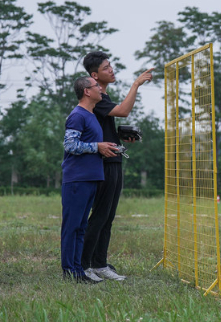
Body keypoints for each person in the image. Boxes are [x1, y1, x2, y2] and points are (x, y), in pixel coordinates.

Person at [81, 51, 153, 281]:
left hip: (114, 159)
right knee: (100, 216)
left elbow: (104, 126)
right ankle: (84, 266)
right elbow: (123, 111)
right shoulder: (97, 97)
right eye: (105, 68)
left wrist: (119, 136)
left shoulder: (103, 96)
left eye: (110, 65)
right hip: (103, 162)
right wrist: (136, 84)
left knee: (108, 217)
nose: (111, 70)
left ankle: (99, 264)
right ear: (94, 75)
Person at [61, 76, 117, 284]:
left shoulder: (91, 115)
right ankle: (70, 271)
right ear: (86, 91)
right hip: (77, 179)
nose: (100, 89)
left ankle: (79, 270)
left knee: (81, 227)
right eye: (96, 86)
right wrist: (97, 147)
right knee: (72, 226)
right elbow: (70, 145)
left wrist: (107, 148)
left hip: (91, 178)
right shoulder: (78, 115)